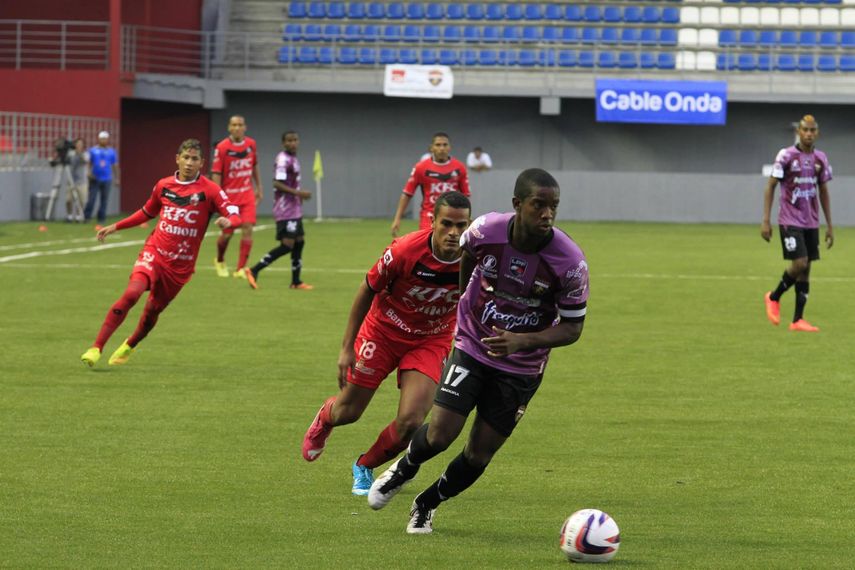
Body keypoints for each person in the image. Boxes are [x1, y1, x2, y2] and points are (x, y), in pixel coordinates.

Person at [368, 168, 589, 535]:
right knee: (439, 434)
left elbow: (573, 328)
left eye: (554, 207)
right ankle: (403, 468)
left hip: (521, 366)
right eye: (539, 205)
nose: (547, 214)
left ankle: (427, 503)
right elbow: (468, 256)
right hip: (473, 344)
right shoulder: (485, 230)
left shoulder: (569, 263)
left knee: (478, 453)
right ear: (518, 205)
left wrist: (521, 341)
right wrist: (467, 307)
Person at [301, 192, 472, 496]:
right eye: (446, 224)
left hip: (430, 340)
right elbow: (367, 289)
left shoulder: (474, 258)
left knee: (411, 421)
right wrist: (347, 347)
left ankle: (365, 465)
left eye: (461, 225)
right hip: (382, 332)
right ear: (432, 221)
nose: (454, 233)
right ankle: (325, 418)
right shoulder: (405, 250)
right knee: (349, 412)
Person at [80, 139, 240, 368]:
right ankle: (96, 347)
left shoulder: (210, 190)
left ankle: (130, 344)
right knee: (132, 293)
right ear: (177, 159)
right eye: (185, 157)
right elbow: (147, 212)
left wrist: (228, 221)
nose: (189, 163)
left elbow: (234, 212)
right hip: (155, 252)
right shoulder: (163, 185)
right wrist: (116, 226)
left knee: (151, 312)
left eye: (194, 159)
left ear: (202, 163)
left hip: (179, 267)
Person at [761, 114, 833, 332]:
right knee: (799, 263)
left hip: (811, 221)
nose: (809, 134)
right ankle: (774, 297)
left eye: (812, 130)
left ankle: (797, 320)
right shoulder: (786, 155)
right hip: (789, 219)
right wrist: (766, 220)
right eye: (805, 130)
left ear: (817, 133)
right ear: (799, 132)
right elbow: (771, 186)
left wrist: (829, 225)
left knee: (806, 268)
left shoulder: (821, 158)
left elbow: (823, 191)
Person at [245, 130, 312, 290]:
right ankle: (254, 270)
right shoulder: (283, 159)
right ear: (283, 143)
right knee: (287, 244)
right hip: (285, 209)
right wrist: (298, 193)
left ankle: (296, 281)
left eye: (295, 139)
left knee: (299, 241)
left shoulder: (293, 159)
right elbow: (277, 183)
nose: (292, 143)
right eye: (289, 140)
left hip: (294, 208)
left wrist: (298, 195)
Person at [211, 115, 263, 278]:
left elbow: (254, 166)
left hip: (246, 194)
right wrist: (217, 196)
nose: (237, 128)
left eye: (240, 125)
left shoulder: (251, 144)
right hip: (229, 198)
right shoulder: (222, 147)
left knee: (248, 228)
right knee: (227, 233)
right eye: (234, 125)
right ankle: (220, 260)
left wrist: (259, 187)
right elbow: (216, 173)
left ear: (245, 127)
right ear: (229, 127)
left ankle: (240, 269)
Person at [391, 132, 470, 237]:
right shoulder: (420, 167)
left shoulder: (460, 168)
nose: (442, 148)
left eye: (445, 145)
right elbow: (407, 193)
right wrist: (397, 219)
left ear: (449, 147)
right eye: (438, 145)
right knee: (429, 248)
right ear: (431, 148)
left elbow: (466, 196)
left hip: (452, 217)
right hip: (428, 217)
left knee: (451, 249)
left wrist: (466, 218)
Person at [84, 131, 120, 228]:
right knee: (92, 198)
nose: (103, 140)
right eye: (102, 138)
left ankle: (101, 218)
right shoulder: (92, 150)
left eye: (105, 138)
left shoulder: (112, 151)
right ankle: (87, 216)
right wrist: (88, 172)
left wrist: (117, 178)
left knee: (104, 200)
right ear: (98, 139)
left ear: (107, 139)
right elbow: (88, 163)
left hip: (107, 178)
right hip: (95, 178)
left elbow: (115, 165)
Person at [66, 138, 89, 223]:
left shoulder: (86, 154)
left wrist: (79, 153)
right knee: (68, 200)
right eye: (77, 144)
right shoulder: (71, 154)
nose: (79, 146)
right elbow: (66, 162)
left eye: (80, 144)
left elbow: (85, 161)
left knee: (82, 200)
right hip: (71, 180)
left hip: (82, 181)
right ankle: (69, 216)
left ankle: (79, 216)